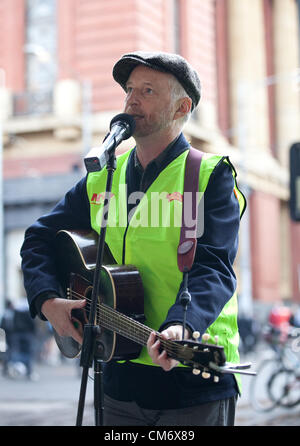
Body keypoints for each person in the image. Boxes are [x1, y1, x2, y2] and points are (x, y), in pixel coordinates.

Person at [20, 51, 246, 426]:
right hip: (117, 378)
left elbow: (214, 267)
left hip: (191, 380)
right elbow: (38, 239)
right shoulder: (101, 176)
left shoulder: (207, 176)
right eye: (128, 90)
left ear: (181, 107)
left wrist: (182, 324)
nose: (131, 100)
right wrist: (48, 302)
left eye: (148, 91)